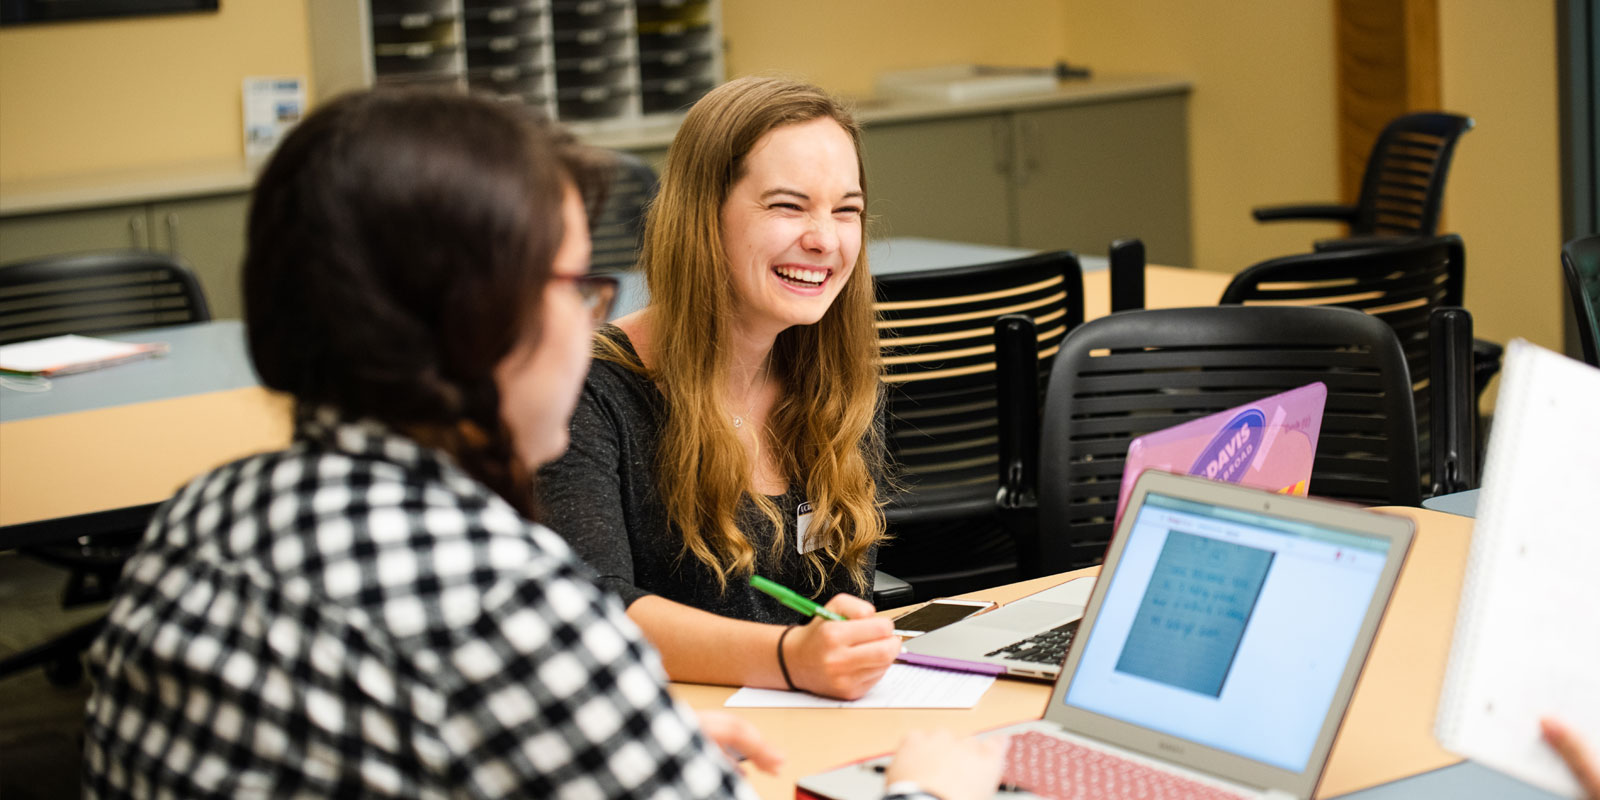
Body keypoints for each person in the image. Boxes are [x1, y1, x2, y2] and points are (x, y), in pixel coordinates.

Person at [80, 88, 1004, 799]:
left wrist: (603, 750)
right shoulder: (498, 594)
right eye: (572, 286)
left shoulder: (203, 514)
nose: (592, 324)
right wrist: (928, 788)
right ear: (477, 320)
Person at [539, 76, 899, 700]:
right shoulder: (590, 392)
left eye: (847, 210)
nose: (825, 238)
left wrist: (847, 645)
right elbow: (590, 609)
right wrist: (792, 658)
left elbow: (845, 597)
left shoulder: (835, 381)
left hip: (817, 719)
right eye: (788, 205)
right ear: (704, 216)